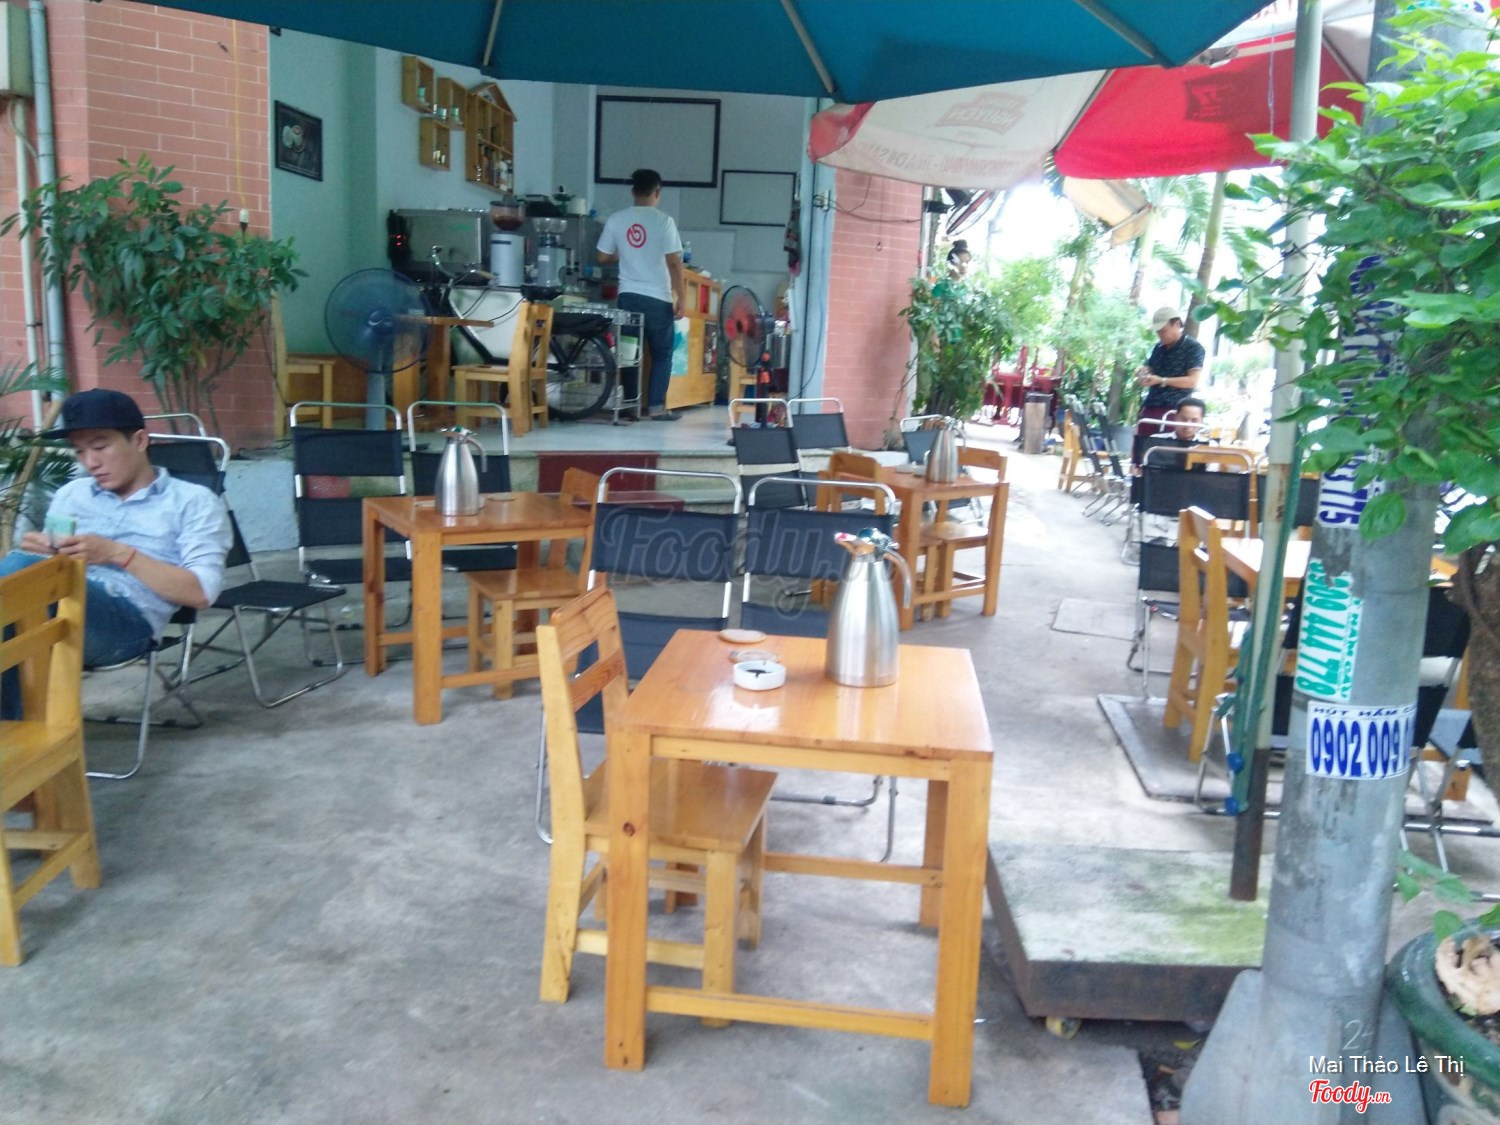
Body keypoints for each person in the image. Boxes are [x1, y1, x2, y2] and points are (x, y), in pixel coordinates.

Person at [0, 389, 231, 717]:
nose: (90, 462)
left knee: (19, 577)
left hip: (127, 625)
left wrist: (118, 554)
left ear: (139, 440)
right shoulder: (73, 494)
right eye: (80, 451)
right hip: (56, 611)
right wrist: (46, 551)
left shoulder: (193, 502)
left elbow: (201, 592)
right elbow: (52, 569)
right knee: (19, 594)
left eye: (100, 446)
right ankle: (16, 739)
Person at [597, 168, 686, 422]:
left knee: (629, 354)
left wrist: (622, 254)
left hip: (628, 297)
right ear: (657, 192)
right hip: (658, 299)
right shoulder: (664, 221)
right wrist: (682, 297)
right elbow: (674, 263)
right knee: (662, 354)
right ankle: (656, 407)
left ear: (633, 191)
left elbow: (602, 256)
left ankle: (629, 406)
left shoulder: (616, 219)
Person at [1134, 307, 1205, 444]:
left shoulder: (1193, 348)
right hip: (1151, 406)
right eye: (1158, 331)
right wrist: (1143, 373)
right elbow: (1151, 369)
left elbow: (1192, 381)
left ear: (1177, 324)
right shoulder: (1158, 347)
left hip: (1174, 410)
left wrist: (1162, 380)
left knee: (1166, 450)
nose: (1160, 334)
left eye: (1163, 330)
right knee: (1142, 448)